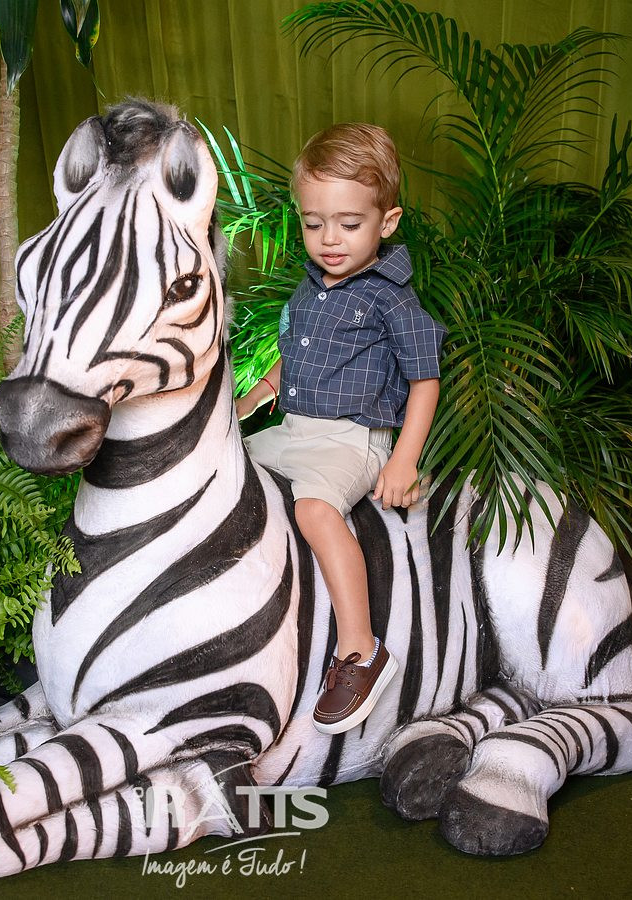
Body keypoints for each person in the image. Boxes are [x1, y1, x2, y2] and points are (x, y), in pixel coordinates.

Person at [236, 123, 445, 735]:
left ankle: (359, 649)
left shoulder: (392, 300)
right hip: (294, 428)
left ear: (387, 221)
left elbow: (425, 380)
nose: (329, 240)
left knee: (315, 511)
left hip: (352, 440)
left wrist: (403, 459)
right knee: (224, 470)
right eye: (313, 223)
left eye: (349, 224)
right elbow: (298, 354)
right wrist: (260, 393)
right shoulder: (310, 288)